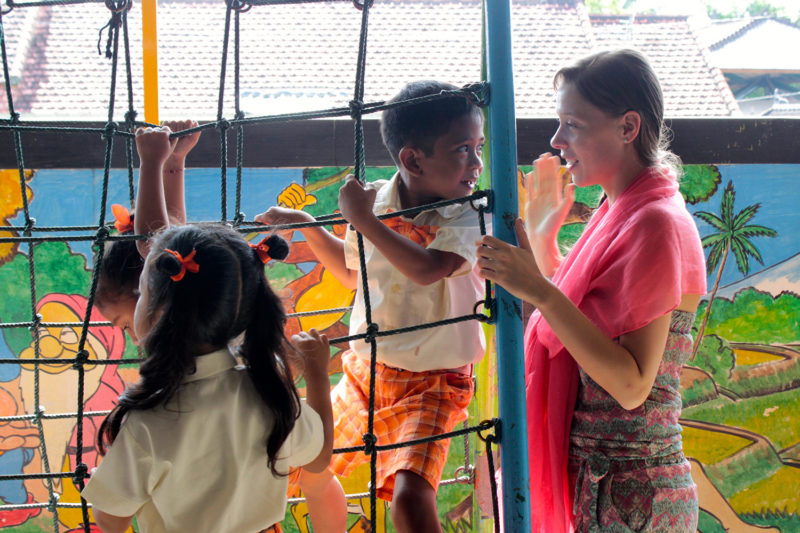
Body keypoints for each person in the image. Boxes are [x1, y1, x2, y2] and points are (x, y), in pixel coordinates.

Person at [476, 49, 706, 532]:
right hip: (604, 485)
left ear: (628, 127)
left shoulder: (655, 222)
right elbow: (589, 319)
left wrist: (539, 290)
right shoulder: (621, 211)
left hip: (632, 493)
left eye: (573, 124)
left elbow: (630, 385)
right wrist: (541, 239)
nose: (557, 141)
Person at [256, 80, 487, 533]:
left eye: (479, 148)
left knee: (410, 500)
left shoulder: (469, 212)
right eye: (463, 149)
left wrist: (362, 220)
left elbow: (427, 268)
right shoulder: (377, 200)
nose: (477, 163)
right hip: (367, 370)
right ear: (412, 159)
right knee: (287, 464)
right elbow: (351, 274)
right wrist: (307, 223)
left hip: (435, 383)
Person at [81, 223, 334, 533]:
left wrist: (109, 484)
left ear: (160, 313)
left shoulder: (147, 420)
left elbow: (111, 519)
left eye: (143, 292)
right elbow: (318, 460)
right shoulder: (269, 392)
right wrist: (318, 375)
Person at [94, 120, 201, 344]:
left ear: (142, 286)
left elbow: (155, 241)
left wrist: (151, 162)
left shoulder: (174, 305)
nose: (133, 340)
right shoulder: (185, 292)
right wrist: (174, 160)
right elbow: (173, 229)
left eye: (124, 325)